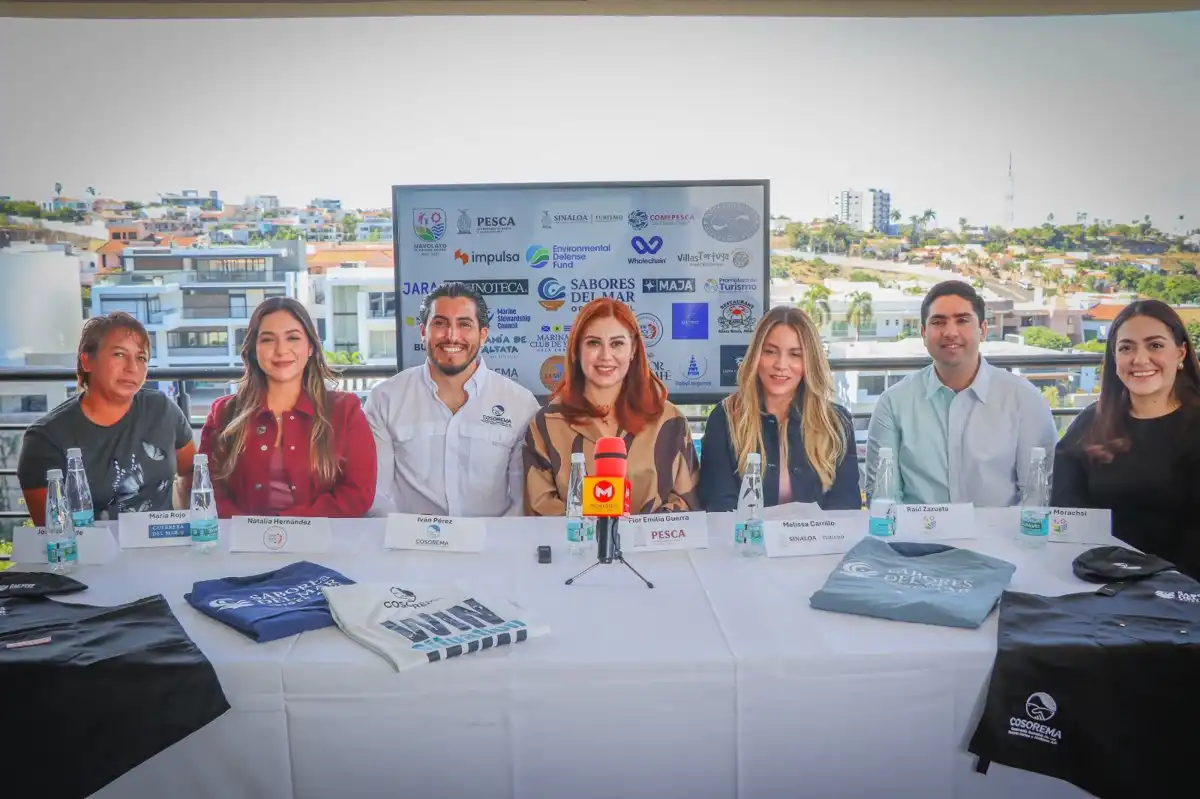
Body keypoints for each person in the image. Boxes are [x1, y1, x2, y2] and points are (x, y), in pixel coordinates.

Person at [865, 280, 1057, 506]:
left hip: (1000, 539)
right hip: (917, 539)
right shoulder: (894, 403)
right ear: (924, 333)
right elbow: (883, 496)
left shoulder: (1024, 399)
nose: (950, 332)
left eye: (962, 320)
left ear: (983, 330)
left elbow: (1038, 495)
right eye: (938, 322)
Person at [1051, 300, 1200, 579]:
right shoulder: (1091, 422)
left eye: (1155, 345)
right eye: (1126, 348)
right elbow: (1065, 508)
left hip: (1182, 589)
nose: (1140, 359)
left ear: (1180, 352)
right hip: (1098, 579)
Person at [365, 283, 539, 517]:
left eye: (464, 324)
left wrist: (497, 546)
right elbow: (376, 494)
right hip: (409, 548)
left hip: (494, 548)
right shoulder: (385, 399)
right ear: (423, 332)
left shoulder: (520, 404)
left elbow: (523, 500)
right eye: (440, 323)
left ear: (483, 334)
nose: (452, 336)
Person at [199, 297, 375, 518]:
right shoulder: (223, 413)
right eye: (268, 340)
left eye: (292, 338)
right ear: (254, 350)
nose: (281, 350)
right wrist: (251, 533)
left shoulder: (345, 411)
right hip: (241, 545)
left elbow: (358, 494)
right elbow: (206, 489)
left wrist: (286, 529)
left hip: (322, 544)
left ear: (310, 347)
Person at [523, 297, 700, 515]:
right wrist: (595, 532)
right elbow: (539, 508)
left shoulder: (670, 420)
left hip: (653, 549)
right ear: (577, 350)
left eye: (617, 343)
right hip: (576, 547)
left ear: (633, 349)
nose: (606, 356)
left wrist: (634, 535)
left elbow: (687, 502)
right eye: (593, 343)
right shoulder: (545, 424)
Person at [18, 312, 196, 524]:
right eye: (119, 354)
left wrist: (188, 524)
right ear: (87, 361)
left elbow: (192, 470)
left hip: (164, 547)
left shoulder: (162, 410)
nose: (132, 367)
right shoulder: (46, 439)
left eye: (141, 358)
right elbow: (50, 530)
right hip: (91, 554)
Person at [699, 305, 860, 511]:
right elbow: (719, 504)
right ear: (756, 356)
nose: (781, 365)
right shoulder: (725, 417)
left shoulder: (836, 421)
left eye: (795, 354)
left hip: (818, 541)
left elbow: (845, 504)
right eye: (770, 351)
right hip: (746, 540)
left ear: (809, 362)